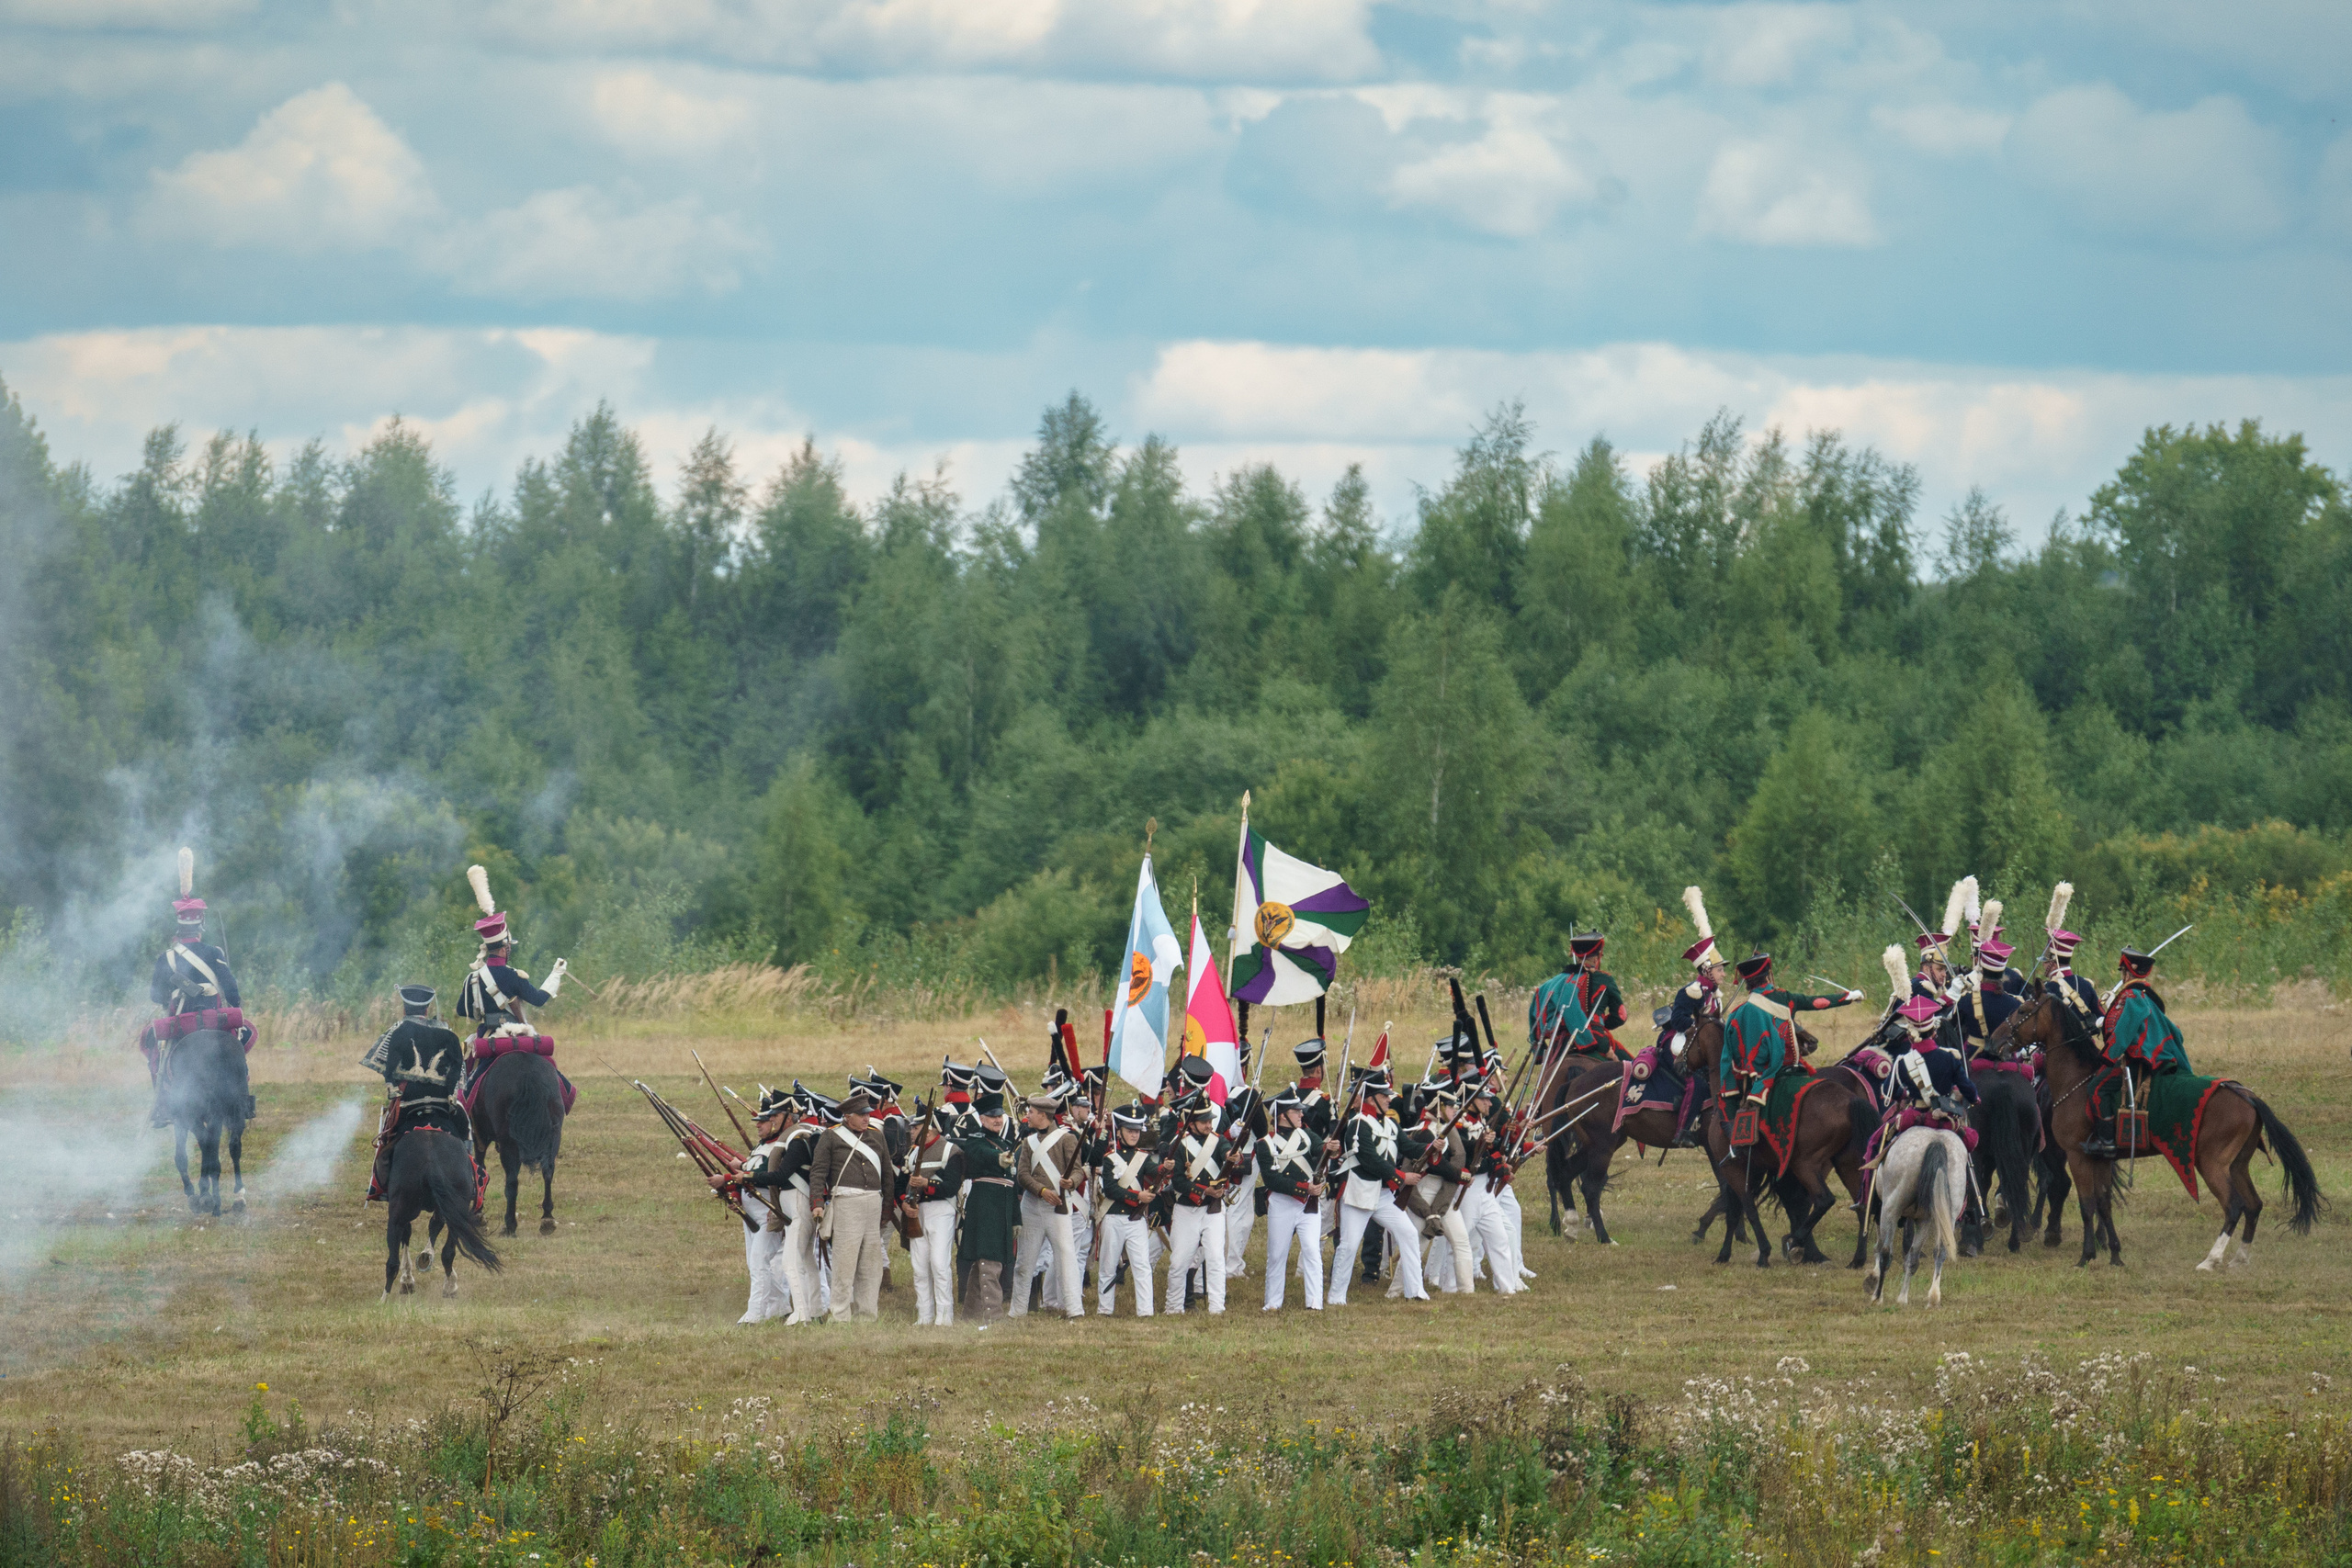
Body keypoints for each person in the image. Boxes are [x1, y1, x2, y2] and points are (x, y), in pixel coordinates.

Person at [145, 848, 249, 1127]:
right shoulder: (214, 952)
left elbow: (156, 996)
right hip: (216, 1023)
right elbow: (233, 992)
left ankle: (163, 1103)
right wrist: (231, 1005)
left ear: (178, 927)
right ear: (200, 923)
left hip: (180, 1025)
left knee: (150, 1042)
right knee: (248, 1034)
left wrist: (171, 995)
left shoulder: (166, 958)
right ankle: (242, 1092)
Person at [1719, 953, 1865, 1117]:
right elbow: (1817, 1003)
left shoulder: (1739, 1013)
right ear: (1767, 975)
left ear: (1747, 982)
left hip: (1757, 1074)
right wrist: (1849, 997)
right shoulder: (1785, 998)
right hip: (1790, 1067)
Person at [1328, 1071, 1429, 1304]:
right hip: (1360, 1193)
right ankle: (1336, 1296)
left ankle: (1415, 1290)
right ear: (1371, 1099)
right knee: (1350, 1245)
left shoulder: (1391, 1124)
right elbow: (1370, 1159)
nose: (1389, 1099)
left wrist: (1434, 1146)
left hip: (1383, 1195)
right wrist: (1402, 1176)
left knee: (1409, 1233)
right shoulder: (1358, 1124)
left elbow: (1409, 1147)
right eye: (1384, 1096)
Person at [361, 984, 468, 1203]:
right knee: (465, 1129)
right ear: (427, 1009)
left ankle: (380, 1185)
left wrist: (393, 1088)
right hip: (443, 1099)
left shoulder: (397, 1031)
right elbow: (457, 1072)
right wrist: (450, 1094)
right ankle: (470, 1178)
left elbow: (388, 1069)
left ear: (404, 1009)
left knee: (387, 1133)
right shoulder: (448, 1033)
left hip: (409, 1099)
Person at [2083, 945, 2192, 1159]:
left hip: (2134, 1060)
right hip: (2136, 1057)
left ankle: (2106, 1141)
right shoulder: (2140, 994)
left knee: (2097, 1089)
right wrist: (2102, 1023)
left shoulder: (2132, 996)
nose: (2122, 976)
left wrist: (2106, 1056)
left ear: (2127, 972)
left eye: (2123, 972)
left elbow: (2124, 1033)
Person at [808, 1088, 896, 1323]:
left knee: (871, 1265)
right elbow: (818, 1173)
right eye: (861, 1114)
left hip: (873, 1203)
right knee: (844, 1265)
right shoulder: (832, 1136)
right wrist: (817, 1202)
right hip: (846, 1202)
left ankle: (867, 1315)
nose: (867, 1117)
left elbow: (887, 1174)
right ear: (847, 1116)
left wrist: (886, 1209)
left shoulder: (877, 1136)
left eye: (867, 1113)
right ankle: (840, 1316)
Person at [1011, 1093, 1086, 1318]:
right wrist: (1041, 1191)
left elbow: (1078, 1170)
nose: (1028, 1116)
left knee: (1066, 1260)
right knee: (1024, 1262)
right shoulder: (1028, 1142)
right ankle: (1017, 1311)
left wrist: (1070, 1182)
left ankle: (1074, 1310)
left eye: (1031, 1112)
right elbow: (1022, 1175)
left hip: (1058, 1208)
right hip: (1032, 1206)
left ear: (1043, 1115)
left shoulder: (1067, 1138)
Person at [728, 1088, 797, 1325]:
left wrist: (739, 1174)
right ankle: (779, 1307)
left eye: (765, 1120)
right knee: (755, 1262)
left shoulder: (779, 1147)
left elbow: (764, 1175)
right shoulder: (760, 1147)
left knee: (759, 1263)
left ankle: (754, 1315)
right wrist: (734, 1193)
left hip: (769, 1212)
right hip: (752, 1211)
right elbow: (746, 1173)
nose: (758, 1125)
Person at [1255, 1089, 1325, 1311]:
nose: (1301, 1115)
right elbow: (1272, 1180)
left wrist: (1330, 1148)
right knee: (1277, 1254)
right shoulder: (1264, 1144)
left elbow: (1320, 1149)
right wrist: (1305, 1188)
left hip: (1307, 1204)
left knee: (1312, 1251)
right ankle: (1273, 1302)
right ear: (1282, 1115)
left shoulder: (1307, 1135)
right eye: (1296, 1112)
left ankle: (1315, 1302)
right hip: (1282, 1203)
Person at [955, 1089, 1022, 1319]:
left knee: (987, 1262)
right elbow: (980, 1154)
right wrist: (998, 1159)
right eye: (992, 1116)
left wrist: (1015, 1219)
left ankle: (970, 1316)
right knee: (990, 1262)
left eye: (999, 1116)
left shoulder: (1005, 1142)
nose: (997, 1120)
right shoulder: (976, 1140)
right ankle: (994, 1316)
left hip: (1001, 1210)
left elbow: (1010, 1184)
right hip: (984, 1209)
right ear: (982, 1119)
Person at [1162, 1100, 1232, 1314]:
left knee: (1216, 1259)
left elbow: (1226, 1151)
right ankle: (1173, 1307)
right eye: (1203, 1122)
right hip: (1187, 1209)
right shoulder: (1179, 1144)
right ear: (1190, 1124)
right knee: (1179, 1261)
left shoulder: (1218, 1141)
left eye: (1210, 1120)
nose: (1209, 1125)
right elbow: (1180, 1182)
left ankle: (1217, 1308)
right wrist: (1204, 1191)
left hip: (1213, 1209)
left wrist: (1232, 1157)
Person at [1094, 1107, 1161, 1315]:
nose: (1134, 1134)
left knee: (1142, 1265)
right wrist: (1137, 1197)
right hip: (1113, 1217)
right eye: (1129, 1130)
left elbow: (1155, 1171)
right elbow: (1111, 1189)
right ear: (1120, 1131)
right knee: (1108, 1266)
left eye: (1137, 1131)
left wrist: (1166, 1166)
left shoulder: (1142, 1157)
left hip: (1135, 1221)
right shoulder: (1109, 1157)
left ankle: (1145, 1310)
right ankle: (1105, 1309)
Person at [903, 1102, 966, 1327]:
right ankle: (924, 1315)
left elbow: (950, 1187)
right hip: (917, 1211)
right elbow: (903, 1185)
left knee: (939, 1264)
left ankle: (944, 1316)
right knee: (919, 1267)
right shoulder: (913, 1154)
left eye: (916, 1127)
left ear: (929, 1129)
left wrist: (926, 1183)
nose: (911, 1131)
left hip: (941, 1210)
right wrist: (904, 1204)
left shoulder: (951, 1151)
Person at [1955, 939, 2020, 1057]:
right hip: (2006, 1061)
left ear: (1982, 970)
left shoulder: (1966, 1000)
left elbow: (1955, 1032)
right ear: (2002, 973)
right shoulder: (2015, 1004)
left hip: (1974, 1058)